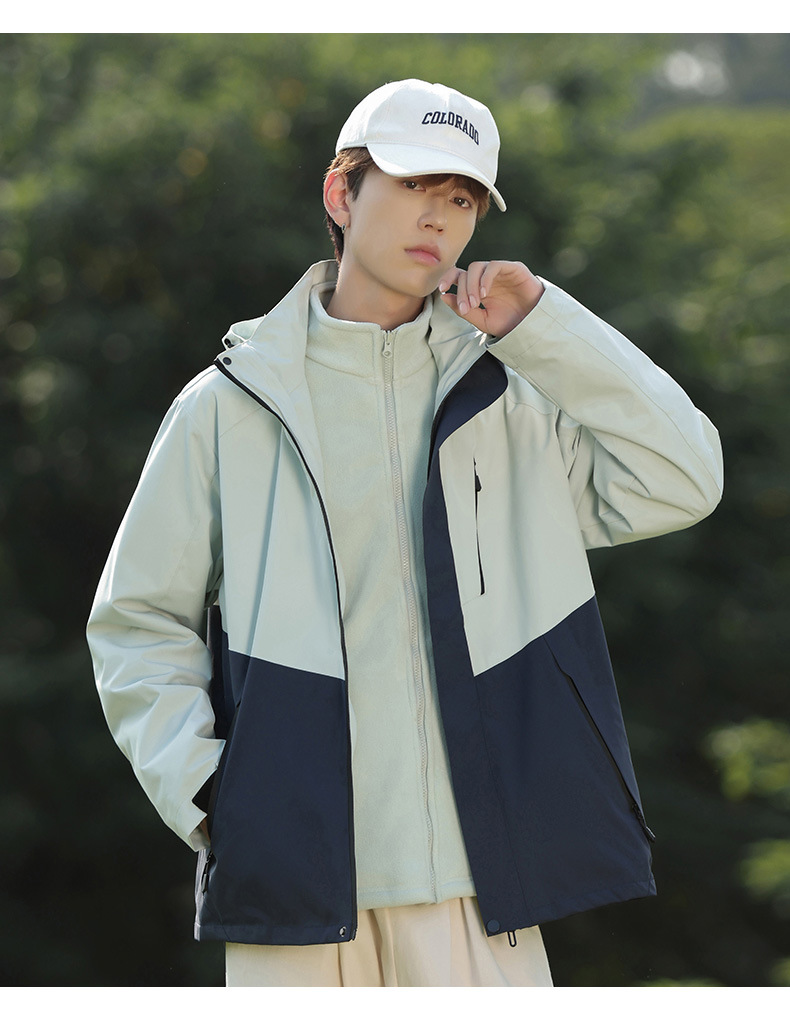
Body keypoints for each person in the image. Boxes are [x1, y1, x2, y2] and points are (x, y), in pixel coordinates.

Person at [86, 78, 724, 987]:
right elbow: (137, 622)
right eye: (415, 184)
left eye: (461, 199)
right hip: (298, 884)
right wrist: (213, 797)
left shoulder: (509, 398)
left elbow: (686, 476)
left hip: (484, 885)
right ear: (341, 194)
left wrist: (545, 327)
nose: (439, 217)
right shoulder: (227, 407)